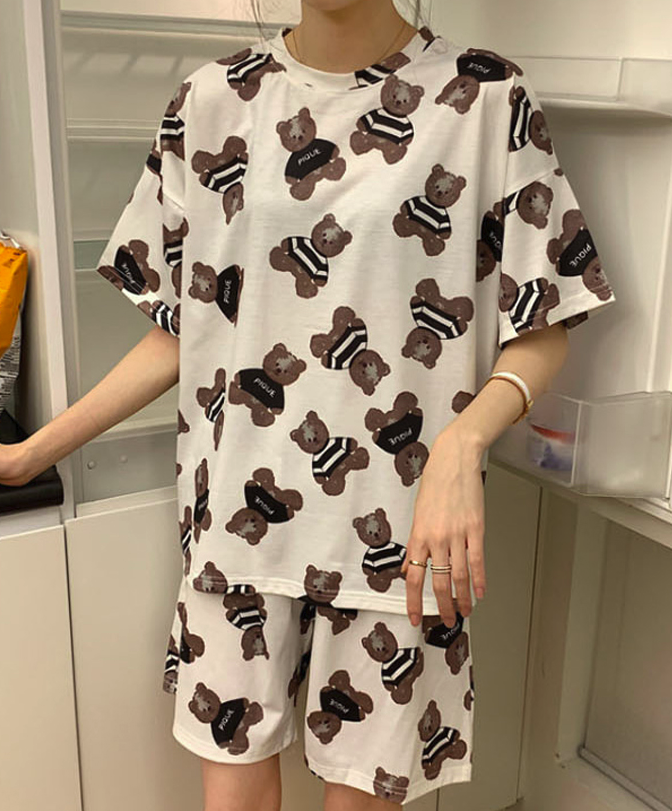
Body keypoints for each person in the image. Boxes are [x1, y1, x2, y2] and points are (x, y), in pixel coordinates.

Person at [2, 0, 617, 808]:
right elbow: (188, 327)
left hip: (401, 536)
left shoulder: (486, 99)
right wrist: (30, 454)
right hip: (235, 525)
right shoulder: (211, 101)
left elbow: (545, 322)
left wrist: (464, 442)